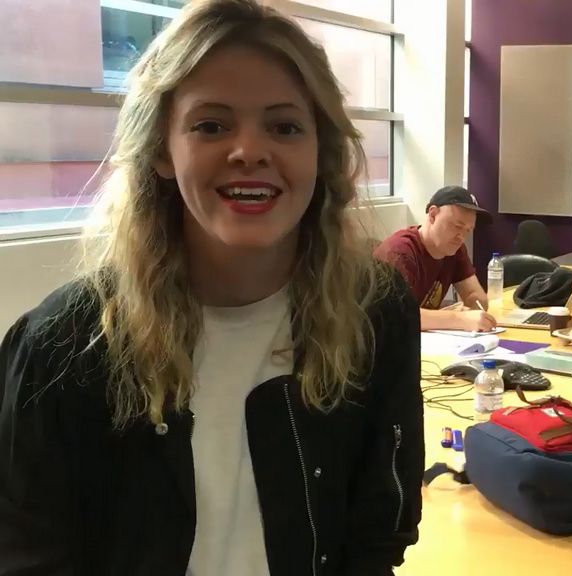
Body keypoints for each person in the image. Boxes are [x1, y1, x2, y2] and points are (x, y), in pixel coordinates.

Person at [0, 2, 424, 575]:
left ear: (320, 153)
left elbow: (377, 534)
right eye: (211, 125)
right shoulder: (62, 346)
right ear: (161, 150)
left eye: (285, 126)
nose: (249, 150)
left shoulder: (375, 311)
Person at [374, 185, 496, 332]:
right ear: (432, 215)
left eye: (468, 230)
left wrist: (475, 310)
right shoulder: (399, 252)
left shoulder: (455, 250)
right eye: (457, 226)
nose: (462, 237)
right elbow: (399, 316)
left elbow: (474, 294)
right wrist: (459, 319)